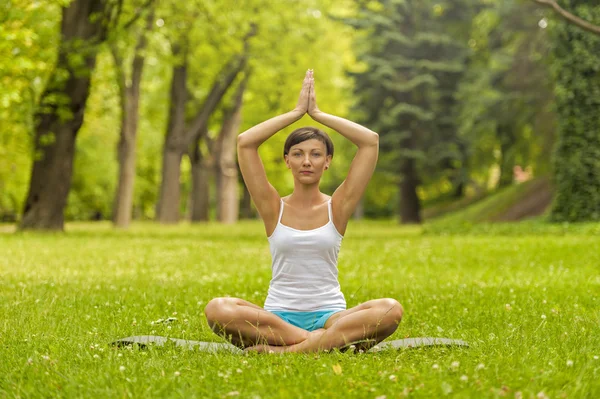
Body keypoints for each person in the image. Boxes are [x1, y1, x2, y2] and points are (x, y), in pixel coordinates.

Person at [204, 69, 403, 353]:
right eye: (298, 154)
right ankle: (322, 344)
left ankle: (287, 351)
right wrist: (298, 112)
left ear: (328, 161)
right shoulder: (273, 207)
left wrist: (318, 114)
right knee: (218, 309)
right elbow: (245, 142)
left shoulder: (338, 206)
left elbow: (369, 140)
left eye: (316, 154)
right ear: (287, 161)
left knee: (390, 309)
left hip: (331, 316)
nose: (306, 161)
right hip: (278, 317)